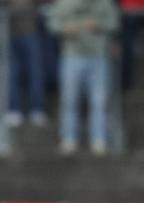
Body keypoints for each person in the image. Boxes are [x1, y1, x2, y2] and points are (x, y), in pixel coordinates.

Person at [48, 0, 118, 156]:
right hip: (72, 55)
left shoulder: (104, 3)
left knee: (99, 101)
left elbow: (114, 22)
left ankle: (99, 139)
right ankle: (69, 138)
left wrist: (98, 24)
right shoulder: (65, 3)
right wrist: (65, 29)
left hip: (98, 55)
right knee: (69, 99)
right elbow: (53, 23)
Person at [3, 0, 47, 127]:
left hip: (31, 31)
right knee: (12, 73)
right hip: (10, 32)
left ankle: (37, 108)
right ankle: (13, 109)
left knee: (36, 72)